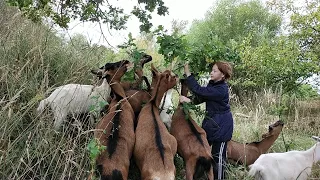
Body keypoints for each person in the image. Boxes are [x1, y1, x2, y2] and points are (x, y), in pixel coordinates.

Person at [179, 61, 234, 180]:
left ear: (223, 75)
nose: (211, 73)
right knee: (202, 150)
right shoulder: (213, 84)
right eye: (212, 70)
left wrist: (188, 73)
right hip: (211, 123)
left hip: (222, 126)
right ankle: (198, 174)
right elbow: (202, 97)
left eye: (215, 71)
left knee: (218, 157)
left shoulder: (221, 89)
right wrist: (189, 101)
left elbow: (200, 90)